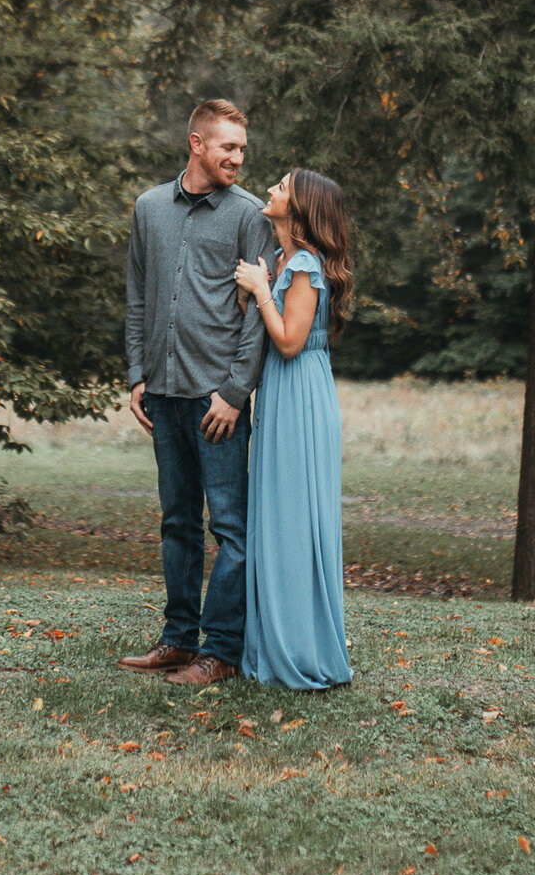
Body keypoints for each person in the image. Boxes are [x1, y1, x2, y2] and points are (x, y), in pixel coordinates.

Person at [116, 99, 274, 688]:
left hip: (218, 401)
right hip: (162, 393)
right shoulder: (149, 208)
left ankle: (222, 650)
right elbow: (138, 296)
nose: (238, 158)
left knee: (229, 527)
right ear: (196, 143)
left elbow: (260, 314)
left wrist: (235, 391)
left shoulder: (250, 215)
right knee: (177, 520)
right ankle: (178, 640)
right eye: (228, 147)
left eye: (242, 149)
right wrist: (137, 374)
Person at [233, 169, 356, 690]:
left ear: (300, 208)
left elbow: (287, 340)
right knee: (277, 517)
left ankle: (302, 650)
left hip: (301, 392)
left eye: (281, 188)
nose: (270, 191)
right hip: (279, 394)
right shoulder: (284, 260)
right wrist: (259, 287)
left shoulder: (304, 266)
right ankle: (273, 639)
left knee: (296, 520)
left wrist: (261, 289)